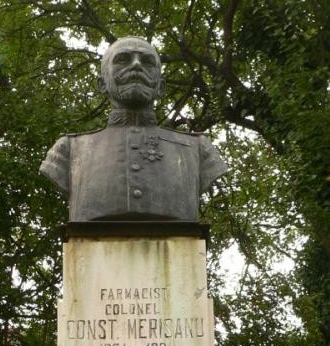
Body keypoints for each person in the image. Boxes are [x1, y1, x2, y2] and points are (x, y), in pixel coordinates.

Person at [40, 36, 226, 222]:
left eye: (147, 62)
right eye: (123, 59)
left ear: (160, 87)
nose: (137, 66)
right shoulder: (69, 149)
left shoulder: (198, 149)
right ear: (102, 84)